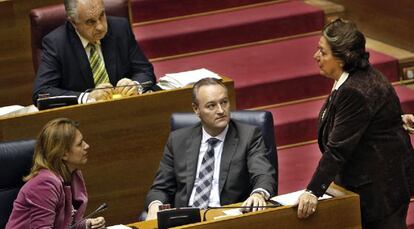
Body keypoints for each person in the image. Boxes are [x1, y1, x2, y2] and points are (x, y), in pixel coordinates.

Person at [296, 18, 414, 228]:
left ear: (342, 58)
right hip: (376, 180)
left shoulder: (354, 90)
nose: (316, 56)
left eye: (323, 52)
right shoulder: (356, 78)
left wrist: (313, 191)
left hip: (380, 191)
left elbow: (338, 149)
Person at [144, 78, 277, 220]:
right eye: (211, 106)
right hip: (186, 219)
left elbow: (264, 174)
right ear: (196, 109)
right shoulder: (178, 140)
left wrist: (258, 194)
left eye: (224, 102)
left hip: (226, 219)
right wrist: (155, 205)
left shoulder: (248, 136)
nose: (221, 110)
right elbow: (160, 188)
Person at [32, 0, 156, 105]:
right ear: (73, 22)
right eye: (90, 22)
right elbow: (42, 93)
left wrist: (135, 85)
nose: (100, 27)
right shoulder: (57, 44)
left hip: (125, 108)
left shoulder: (120, 28)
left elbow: (145, 71)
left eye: (102, 15)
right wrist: (87, 97)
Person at [6, 118, 105, 229]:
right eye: (80, 144)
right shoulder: (44, 184)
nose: (87, 146)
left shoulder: (72, 175)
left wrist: (86, 225)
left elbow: (63, 225)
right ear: (63, 153)